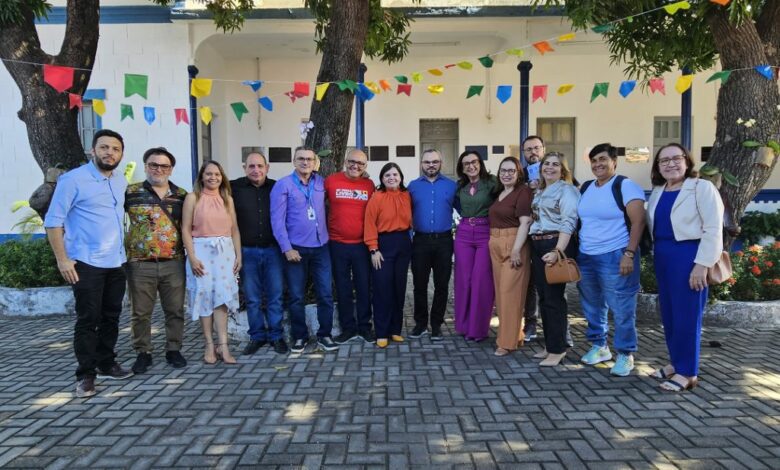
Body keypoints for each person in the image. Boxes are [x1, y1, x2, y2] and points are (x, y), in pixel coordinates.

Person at [44, 129, 133, 398]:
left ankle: (106, 363)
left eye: (115, 149)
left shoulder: (119, 180)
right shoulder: (73, 180)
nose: (110, 153)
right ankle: (86, 375)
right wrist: (63, 260)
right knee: (88, 319)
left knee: (111, 316)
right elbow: (53, 221)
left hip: (116, 261)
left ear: (121, 154)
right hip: (86, 263)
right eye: (104, 147)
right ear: (93, 150)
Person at [646, 143, 723, 392]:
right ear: (658, 167)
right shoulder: (659, 190)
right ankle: (676, 363)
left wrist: (701, 265)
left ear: (687, 161)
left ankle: (688, 372)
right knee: (669, 315)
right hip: (664, 256)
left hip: (689, 256)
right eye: (664, 161)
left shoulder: (702, 187)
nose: (670, 164)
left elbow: (713, 229)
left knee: (687, 316)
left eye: (675, 158)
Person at [577, 143, 646, 377]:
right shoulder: (586, 187)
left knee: (622, 307)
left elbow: (639, 222)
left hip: (617, 255)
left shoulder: (625, 185)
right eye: (594, 160)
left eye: (603, 159)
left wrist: (629, 253)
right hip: (586, 256)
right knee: (592, 305)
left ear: (614, 161)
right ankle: (599, 346)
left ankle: (625, 354)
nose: (598, 164)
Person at [125, 147, 188, 374]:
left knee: (175, 309)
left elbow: (189, 227)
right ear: (145, 166)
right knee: (140, 312)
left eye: (164, 166)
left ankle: (174, 349)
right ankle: (143, 352)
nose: (158, 169)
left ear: (170, 169)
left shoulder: (182, 195)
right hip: (140, 263)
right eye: (154, 164)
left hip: (174, 261)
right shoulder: (130, 193)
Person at [271, 146, 338, 354]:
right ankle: (300, 337)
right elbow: (277, 221)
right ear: (294, 161)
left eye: (310, 159)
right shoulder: (283, 185)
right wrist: (286, 248)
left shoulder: (321, 183)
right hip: (296, 249)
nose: (306, 162)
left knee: (325, 294)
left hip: (321, 247)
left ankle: (325, 335)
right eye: (301, 159)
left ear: (315, 162)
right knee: (297, 296)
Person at [182, 161, 241, 365]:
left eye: (217, 174)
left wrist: (238, 255)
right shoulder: (193, 198)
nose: (213, 177)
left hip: (225, 252)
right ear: (202, 176)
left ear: (222, 177)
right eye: (208, 174)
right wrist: (192, 257)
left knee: (222, 298)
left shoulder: (227, 199)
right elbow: (185, 229)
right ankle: (209, 344)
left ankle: (223, 345)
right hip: (201, 252)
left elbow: (234, 230)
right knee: (205, 296)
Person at [231, 152, 288, 356]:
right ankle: (257, 336)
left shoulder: (277, 187)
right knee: (252, 297)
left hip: (273, 250)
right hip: (247, 251)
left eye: (260, 166)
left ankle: (276, 336)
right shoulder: (233, 188)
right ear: (244, 167)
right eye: (251, 166)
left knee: (275, 295)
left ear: (267, 167)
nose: (256, 170)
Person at [529, 152, 580, 367]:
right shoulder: (540, 191)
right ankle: (551, 344)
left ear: (563, 169)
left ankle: (558, 349)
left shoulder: (567, 190)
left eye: (555, 165)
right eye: (546, 164)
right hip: (537, 243)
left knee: (553, 299)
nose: (550, 168)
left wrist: (558, 251)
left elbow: (569, 221)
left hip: (554, 243)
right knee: (543, 297)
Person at [325, 149, 376, 344]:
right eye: (352, 162)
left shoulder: (369, 185)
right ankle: (348, 328)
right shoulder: (331, 181)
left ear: (365, 167)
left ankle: (364, 327)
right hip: (337, 245)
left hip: (362, 246)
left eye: (361, 164)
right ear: (345, 161)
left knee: (364, 287)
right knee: (343, 288)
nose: (356, 166)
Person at [407, 149, 457, 341]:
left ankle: (436, 324)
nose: (431, 165)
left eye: (435, 161)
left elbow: (465, 209)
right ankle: (421, 324)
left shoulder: (452, 186)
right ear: (421, 164)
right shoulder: (412, 186)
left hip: (444, 241)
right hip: (420, 241)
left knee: (442, 285)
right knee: (419, 285)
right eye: (427, 162)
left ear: (441, 163)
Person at [363, 163, 413, 348]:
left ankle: (395, 330)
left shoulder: (407, 196)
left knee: (399, 289)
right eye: (387, 175)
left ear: (400, 176)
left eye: (395, 174)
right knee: (382, 289)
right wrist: (373, 249)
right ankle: (382, 332)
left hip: (403, 244)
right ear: (382, 179)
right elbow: (369, 223)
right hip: (383, 245)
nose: (392, 177)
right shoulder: (377, 197)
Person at [489, 157, 533, 356]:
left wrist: (516, 249)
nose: (506, 174)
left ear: (518, 173)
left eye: (511, 171)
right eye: (503, 170)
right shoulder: (500, 192)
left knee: (509, 295)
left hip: (513, 244)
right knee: (501, 295)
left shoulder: (522, 192)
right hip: (495, 243)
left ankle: (506, 343)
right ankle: (516, 335)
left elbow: (525, 222)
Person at [454, 150, 498, 342]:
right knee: (464, 280)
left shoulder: (492, 182)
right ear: (461, 168)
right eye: (466, 164)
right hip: (463, 232)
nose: (470, 166)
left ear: (480, 163)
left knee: (481, 281)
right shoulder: (460, 186)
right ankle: (463, 326)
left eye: (474, 162)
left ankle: (478, 329)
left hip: (484, 233)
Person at [520, 136, 545, 341]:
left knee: (555, 280)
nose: (533, 152)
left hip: (550, 235)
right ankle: (530, 324)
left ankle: (561, 330)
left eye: (536, 148)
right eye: (528, 149)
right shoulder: (520, 175)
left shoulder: (556, 170)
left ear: (543, 149)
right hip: (527, 234)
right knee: (530, 282)